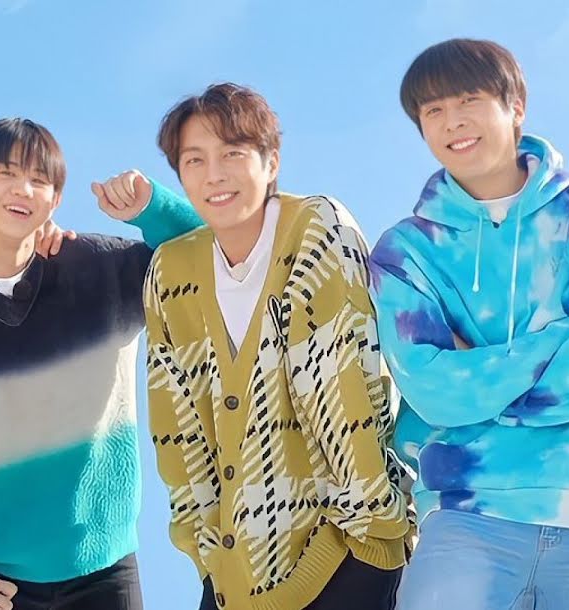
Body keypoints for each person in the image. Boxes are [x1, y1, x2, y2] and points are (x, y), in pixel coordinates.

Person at [0, 117, 202, 610]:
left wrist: (154, 209)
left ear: (56, 199)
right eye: (6, 173)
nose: (23, 189)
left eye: (39, 180)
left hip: (105, 568)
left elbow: (210, 259)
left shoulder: (99, 270)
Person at [127, 82, 410, 609]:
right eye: (194, 160)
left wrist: (370, 540)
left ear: (271, 160)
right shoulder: (171, 272)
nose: (214, 175)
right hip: (233, 577)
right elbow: (177, 427)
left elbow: (347, 384)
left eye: (232, 154)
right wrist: (207, 555)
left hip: (348, 554)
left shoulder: (315, 229)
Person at [370, 38, 569, 610]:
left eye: (469, 100)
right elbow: (434, 390)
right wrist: (561, 337)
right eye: (434, 110)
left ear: (515, 106)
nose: (453, 121)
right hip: (467, 517)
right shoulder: (406, 252)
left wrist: (482, 377)